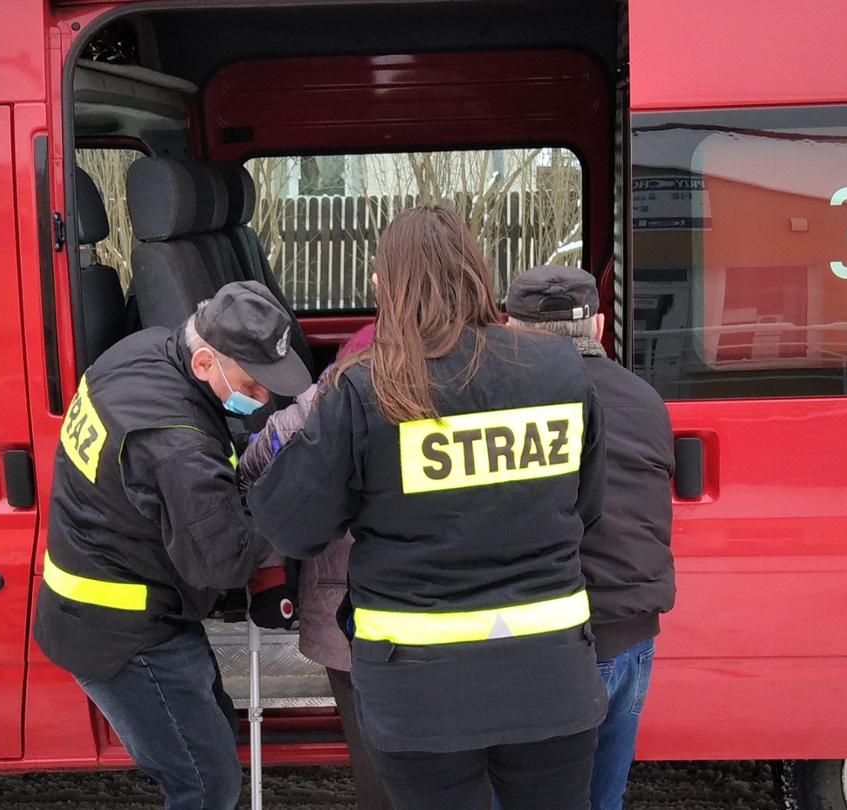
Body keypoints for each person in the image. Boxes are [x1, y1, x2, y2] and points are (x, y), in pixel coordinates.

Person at [248, 205, 608, 810]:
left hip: (417, 696)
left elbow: (291, 523)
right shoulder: (558, 370)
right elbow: (587, 509)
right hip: (552, 681)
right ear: (476, 271)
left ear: (387, 285)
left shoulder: (367, 387)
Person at [33, 280, 311, 810]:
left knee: (209, 737)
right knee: (206, 785)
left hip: (116, 609)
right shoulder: (175, 447)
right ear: (205, 361)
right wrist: (289, 507)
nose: (263, 399)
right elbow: (224, 559)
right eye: (253, 385)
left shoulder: (140, 353)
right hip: (127, 636)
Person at [504, 265, 675, 810]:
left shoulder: (509, 404)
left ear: (510, 329)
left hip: (551, 639)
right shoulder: (647, 398)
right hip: (633, 638)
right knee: (603, 799)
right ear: (599, 327)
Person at [237, 322, 392, 810]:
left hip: (347, 617)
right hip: (446, 613)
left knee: (377, 767)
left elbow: (253, 473)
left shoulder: (322, 406)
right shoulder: (465, 389)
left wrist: (269, 569)